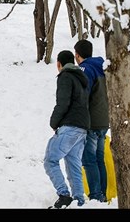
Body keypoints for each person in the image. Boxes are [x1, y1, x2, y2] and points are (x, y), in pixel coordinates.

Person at [44, 50, 90, 208]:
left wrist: (53, 122)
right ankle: (79, 201)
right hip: (82, 129)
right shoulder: (81, 79)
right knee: (73, 164)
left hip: (69, 126)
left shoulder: (65, 76)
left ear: (59, 64)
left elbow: (63, 103)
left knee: (50, 160)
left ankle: (64, 195)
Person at [74, 39, 109, 202]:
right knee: (99, 159)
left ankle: (96, 196)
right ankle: (102, 194)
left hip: (91, 122)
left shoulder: (85, 69)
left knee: (89, 160)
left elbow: (83, 96)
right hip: (103, 121)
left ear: (77, 54)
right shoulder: (102, 66)